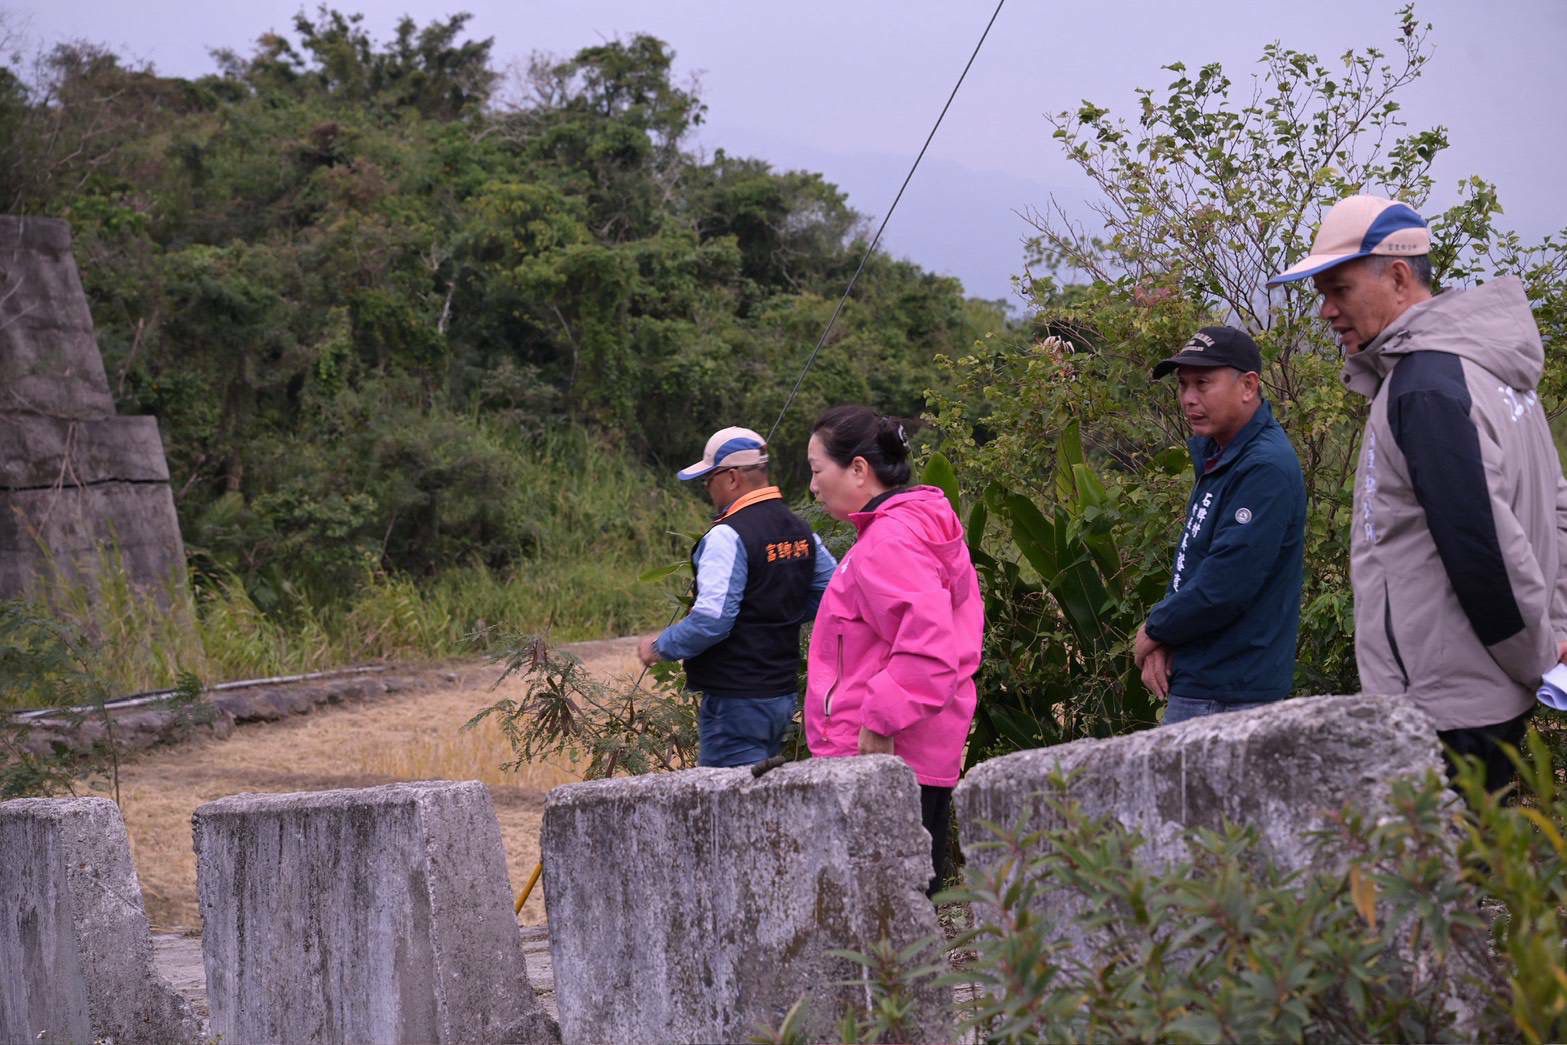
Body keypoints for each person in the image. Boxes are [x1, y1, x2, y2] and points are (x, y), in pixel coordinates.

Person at [1269, 193, 1567, 794]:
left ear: (1398, 276)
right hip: (1489, 689)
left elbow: (1483, 551)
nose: (1326, 310)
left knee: (1428, 882)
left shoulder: (1426, 388)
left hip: (1445, 706)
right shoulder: (1488, 369)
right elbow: (1554, 507)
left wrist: (1540, 658)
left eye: (1340, 290)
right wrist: (1553, 639)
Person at [802, 405, 983, 896]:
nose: (813, 486)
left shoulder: (890, 539)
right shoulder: (922, 526)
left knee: (880, 926)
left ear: (858, 469)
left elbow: (927, 648)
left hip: (885, 756)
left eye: (818, 471)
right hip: (919, 753)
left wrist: (880, 720)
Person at [1133, 327, 1308, 724]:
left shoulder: (1263, 467)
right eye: (1183, 385)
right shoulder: (1221, 453)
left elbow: (1225, 585)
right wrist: (1166, 639)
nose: (1189, 399)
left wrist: (1154, 630)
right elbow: (1193, 564)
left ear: (1248, 386)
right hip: (1202, 678)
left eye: (1203, 384)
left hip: (1230, 692)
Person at [637, 426, 837, 767]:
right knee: (758, 797)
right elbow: (833, 590)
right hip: (780, 694)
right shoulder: (800, 529)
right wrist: (777, 616)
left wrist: (659, 647)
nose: (706, 488)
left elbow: (711, 620)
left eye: (708, 478)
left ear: (731, 478)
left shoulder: (727, 535)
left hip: (735, 698)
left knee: (729, 806)